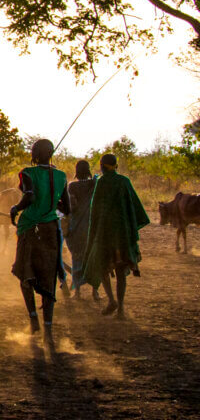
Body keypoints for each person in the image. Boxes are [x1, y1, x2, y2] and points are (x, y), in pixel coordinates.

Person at [9, 139, 70, 340]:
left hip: (30, 229)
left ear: (34, 154)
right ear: (51, 153)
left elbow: (30, 197)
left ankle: (33, 318)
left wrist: (16, 208)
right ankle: (49, 329)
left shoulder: (28, 172)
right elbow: (67, 208)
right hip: (51, 230)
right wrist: (52, 204)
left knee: (25, 273)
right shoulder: (61, 176)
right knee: (49, 278)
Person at [81, 154, 149, 319]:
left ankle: (111, 300)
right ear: (116, 166)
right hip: (123, 235)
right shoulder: (124, 182)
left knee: (103, 267)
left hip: (105, 235)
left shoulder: (102, 182)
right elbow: (134, 206)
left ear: (103, 166)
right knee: (120, 272)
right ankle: (121, 310)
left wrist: (94, 231)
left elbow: (95, 210)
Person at [66, 160, 100, 300]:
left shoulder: (72, 186)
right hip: (92, 227)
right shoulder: (94, 184)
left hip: (76, 228)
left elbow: (71, 207)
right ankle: (95, 292)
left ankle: (77, 292)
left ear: (76, 172)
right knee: (93, 259)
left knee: (76, 258)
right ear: (88, 171)